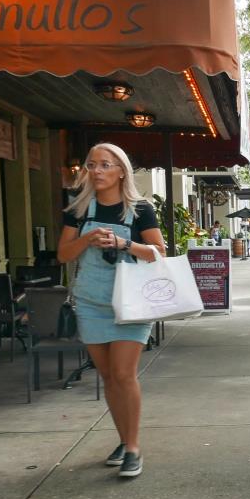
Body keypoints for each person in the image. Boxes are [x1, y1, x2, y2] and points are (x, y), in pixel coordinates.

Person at [57, 142, 166, 478]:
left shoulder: (139, 210)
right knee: (107, 376)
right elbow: (63, 254)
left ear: (121, 171)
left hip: (132, 302)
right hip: (91, 301)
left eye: (105, 165)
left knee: (123, 374)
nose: (97, 171)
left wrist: (124, 244)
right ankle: (123, 439)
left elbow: (158, 252)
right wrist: (87, 240)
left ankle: (132, 448)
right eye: (92, 165)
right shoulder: (78, 209)